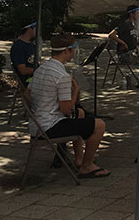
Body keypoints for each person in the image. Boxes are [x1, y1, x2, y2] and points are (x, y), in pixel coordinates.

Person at [27, 33, 110, 178]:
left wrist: (42, 105)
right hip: (49, 127)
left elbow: (26, 94)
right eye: (74, 49)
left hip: (36, 124)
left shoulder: (41, 68)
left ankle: (79, 158)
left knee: (80, 113)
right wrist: (76, 90)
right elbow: (66, 110)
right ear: (67, 50)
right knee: (99, 125)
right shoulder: (62, 75)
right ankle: (87, 166)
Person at [10, 22, 37, 87]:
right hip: (28, 80)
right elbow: (23, 70)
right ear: (29, 29)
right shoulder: (18, 47)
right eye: (35, 28)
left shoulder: (31, 44)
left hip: (36, 78)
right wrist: (41, 71)